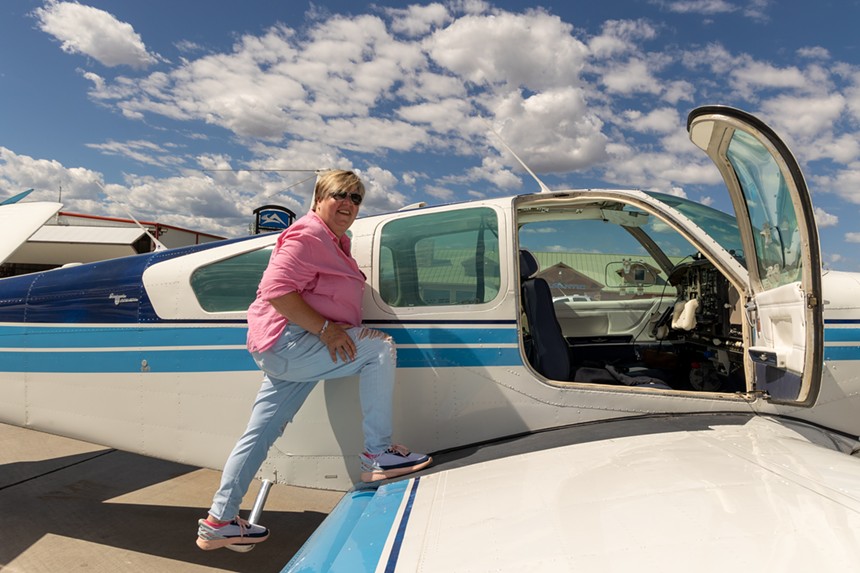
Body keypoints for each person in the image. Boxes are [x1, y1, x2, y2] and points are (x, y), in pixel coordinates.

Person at [196, 170, 431, 552]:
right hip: (292, 342)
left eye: (357, 198)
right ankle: (377, 453)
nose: (349, 204)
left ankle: (218, 522)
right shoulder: (309, 235)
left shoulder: (335, 242)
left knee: (258, 436)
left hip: (287, 349)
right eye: (341, 194)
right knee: (379, 348)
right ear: (319, 198)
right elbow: (275, 291)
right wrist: (328, 330)